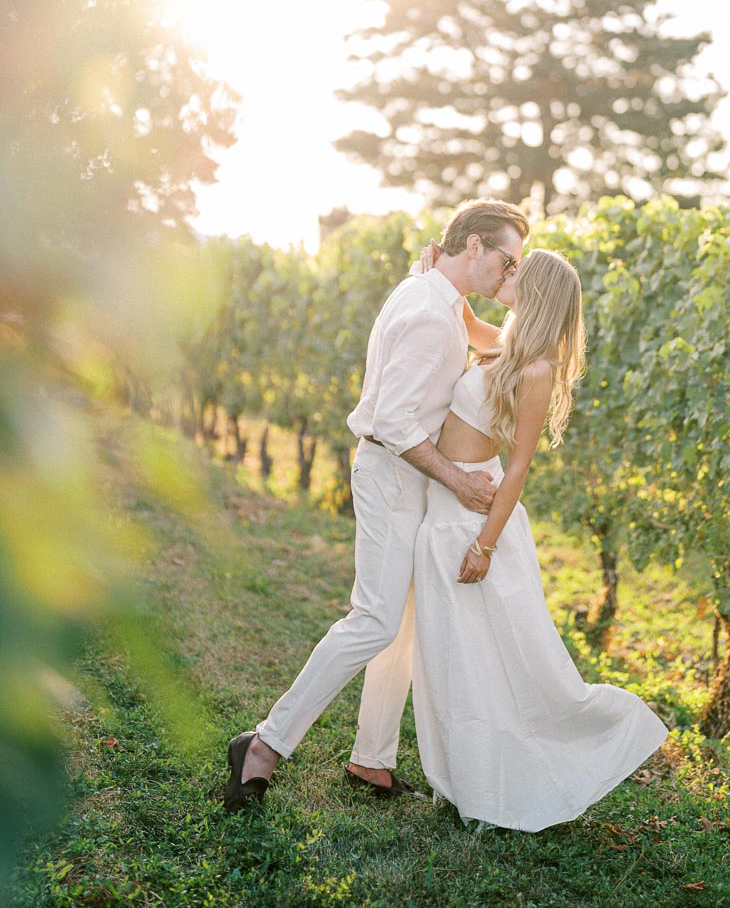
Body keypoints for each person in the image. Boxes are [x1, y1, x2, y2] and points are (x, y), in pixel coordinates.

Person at [224, 198, 530, 813]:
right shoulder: (425, 310)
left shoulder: (438, 298)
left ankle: (372, 762)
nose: (510, 273)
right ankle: (262, 746)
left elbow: (482, 334)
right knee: (374, 620)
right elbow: (392, 420)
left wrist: (535, 323)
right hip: (394, 475)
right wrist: (459, 481)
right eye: (506, 259)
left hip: (408, 477)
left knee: (405, 620)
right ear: (473, 246)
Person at [412, 249, 669, 832]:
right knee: (453, 657)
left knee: (508, 662)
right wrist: (429, 278)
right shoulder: (508, 344)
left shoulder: (536, 370)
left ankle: (565, 750)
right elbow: (464, 322)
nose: (505, 279)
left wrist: (484, 545)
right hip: (444, 511)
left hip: (476, 524)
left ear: (539, 293)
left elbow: (521, 466)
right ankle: (466, 777)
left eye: (515, 276)